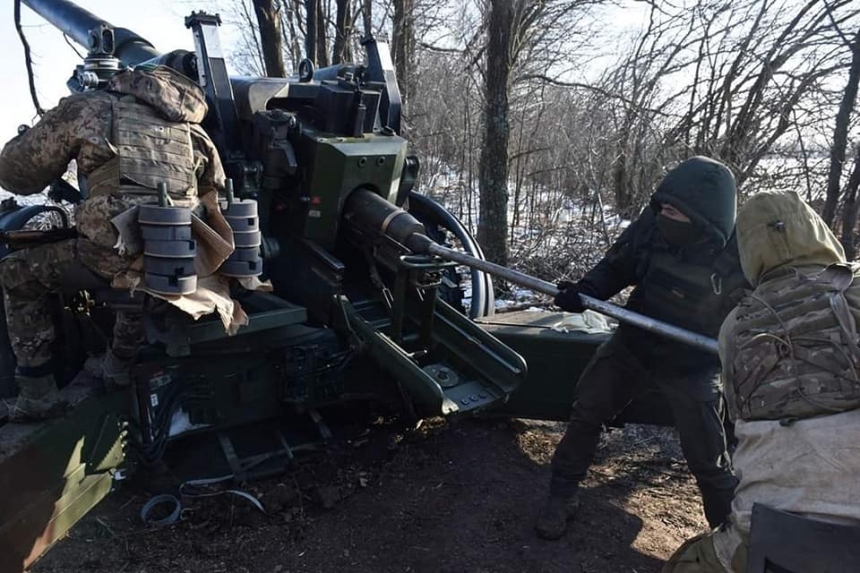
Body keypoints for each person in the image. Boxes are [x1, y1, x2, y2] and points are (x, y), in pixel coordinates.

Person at [537, 156, 748, 540]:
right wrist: (586, 291)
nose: (663, 214)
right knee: (588, 407)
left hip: (694, 362)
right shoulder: (653, 226)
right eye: (661, 207)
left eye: (674, 211)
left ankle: (731, 538)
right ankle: (562, 494)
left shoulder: (739, 256)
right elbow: (618, 265)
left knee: (708, 457)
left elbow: (753, 319)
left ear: (703, 218)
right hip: (636, 342)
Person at [0, 63, 226, 422]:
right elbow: (217, 189)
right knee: (136, 268)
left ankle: (36, 392)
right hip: (177, 261)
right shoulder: (193, 129)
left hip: (112, 257)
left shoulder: (89, 107)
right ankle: (118, 364)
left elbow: (16, 175)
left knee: (17, 275)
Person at [663, 190, 860, 572]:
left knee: (687, 564)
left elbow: (739, 422)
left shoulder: (736, 325)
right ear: (817, 231)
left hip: (774, 538)